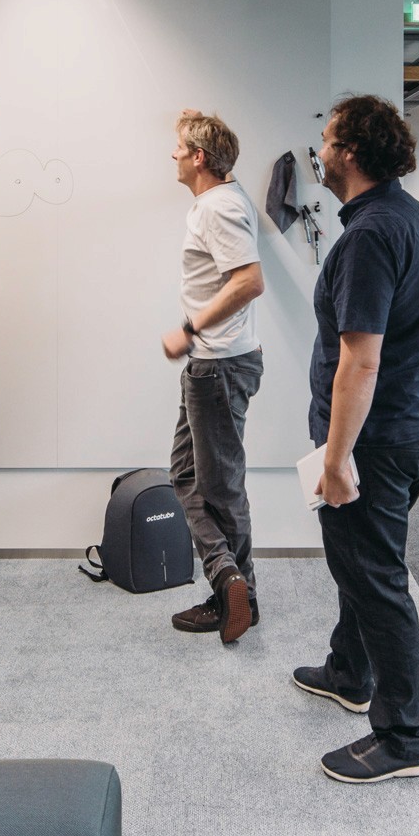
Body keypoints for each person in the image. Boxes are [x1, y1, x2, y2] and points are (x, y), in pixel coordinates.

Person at [294, 94, 419, 784]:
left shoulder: (370, 236)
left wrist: (335, 459)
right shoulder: (407, 217)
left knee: (376, 577)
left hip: (374, 443)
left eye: (326, 141)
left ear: (350, 152)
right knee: (360, 562)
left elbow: (361, 360)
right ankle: (349, 670)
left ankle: (403, 735)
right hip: (407, 430)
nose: (319, 153)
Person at [161, 110, 266, 643]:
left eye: (180, 147)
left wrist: (189, 328)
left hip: (217, 365)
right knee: (185, 472)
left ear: (199, 158)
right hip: (215, 363)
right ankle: (229, 580)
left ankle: (238, 593)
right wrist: (191, 120)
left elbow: (249, 281)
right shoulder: (223, 195)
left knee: (221, 488)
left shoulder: (218, 207)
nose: (173, 154)